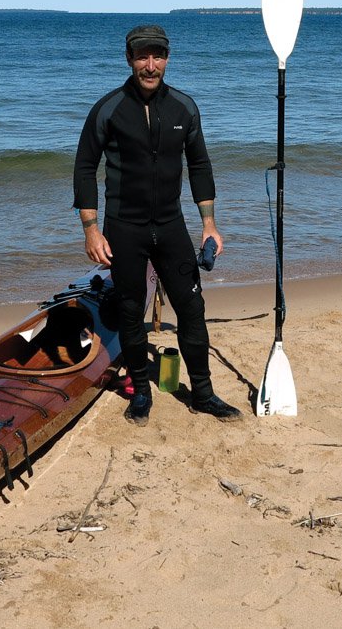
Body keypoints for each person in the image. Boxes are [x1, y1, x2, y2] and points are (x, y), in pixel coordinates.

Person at [73, 23, 242, 424]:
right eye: (142, 57)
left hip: (170, 226)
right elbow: (84, 166)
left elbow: (199, 164)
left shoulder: (184, 107)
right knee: (131, 312)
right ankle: (141, 394)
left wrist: (210, 224)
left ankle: (202, 393)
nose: (151, 65)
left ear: (167, 57)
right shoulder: (108, 108)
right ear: (129, 59)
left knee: (192, 308)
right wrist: (90, 229)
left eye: (158, 56)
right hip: (124, 229)